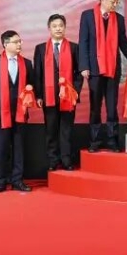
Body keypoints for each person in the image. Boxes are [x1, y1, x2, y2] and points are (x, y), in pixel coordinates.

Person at [78, 0, 127, 152]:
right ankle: (94, 141)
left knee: (112, 107)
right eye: (113, 1)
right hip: (94, 69)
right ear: (103, 0)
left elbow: (124, 45)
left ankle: (112, 140)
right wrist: (84, 66)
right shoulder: (87, 16)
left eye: (117, 2)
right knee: (95, 107)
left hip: (112, 69)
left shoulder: (119, 19)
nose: (116, 4)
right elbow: (83, 42)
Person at [0, 30, 34, 193]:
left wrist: (31, 89)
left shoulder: (27, 63)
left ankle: (17, 180)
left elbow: (31, 85)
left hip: (20, 111)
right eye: (16, 42)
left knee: (19, 148)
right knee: (1, 148)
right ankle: (0, 181)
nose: (19, 44)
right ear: (6, 44)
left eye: (20, 41)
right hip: (0, 113)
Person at [34, 14, 82, 171]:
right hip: (48, 96)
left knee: (66, 130)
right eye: (54, 26)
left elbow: (78, 73)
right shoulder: (40, 49)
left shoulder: (74, 47)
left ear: (65, 27)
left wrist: (75, 92)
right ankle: (53, 160)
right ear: (49, 28)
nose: (58, 29)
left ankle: (66, 160)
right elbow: (38, 74)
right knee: (51, 130)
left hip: (68, 97)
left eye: (61, 25)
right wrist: (39, 95)